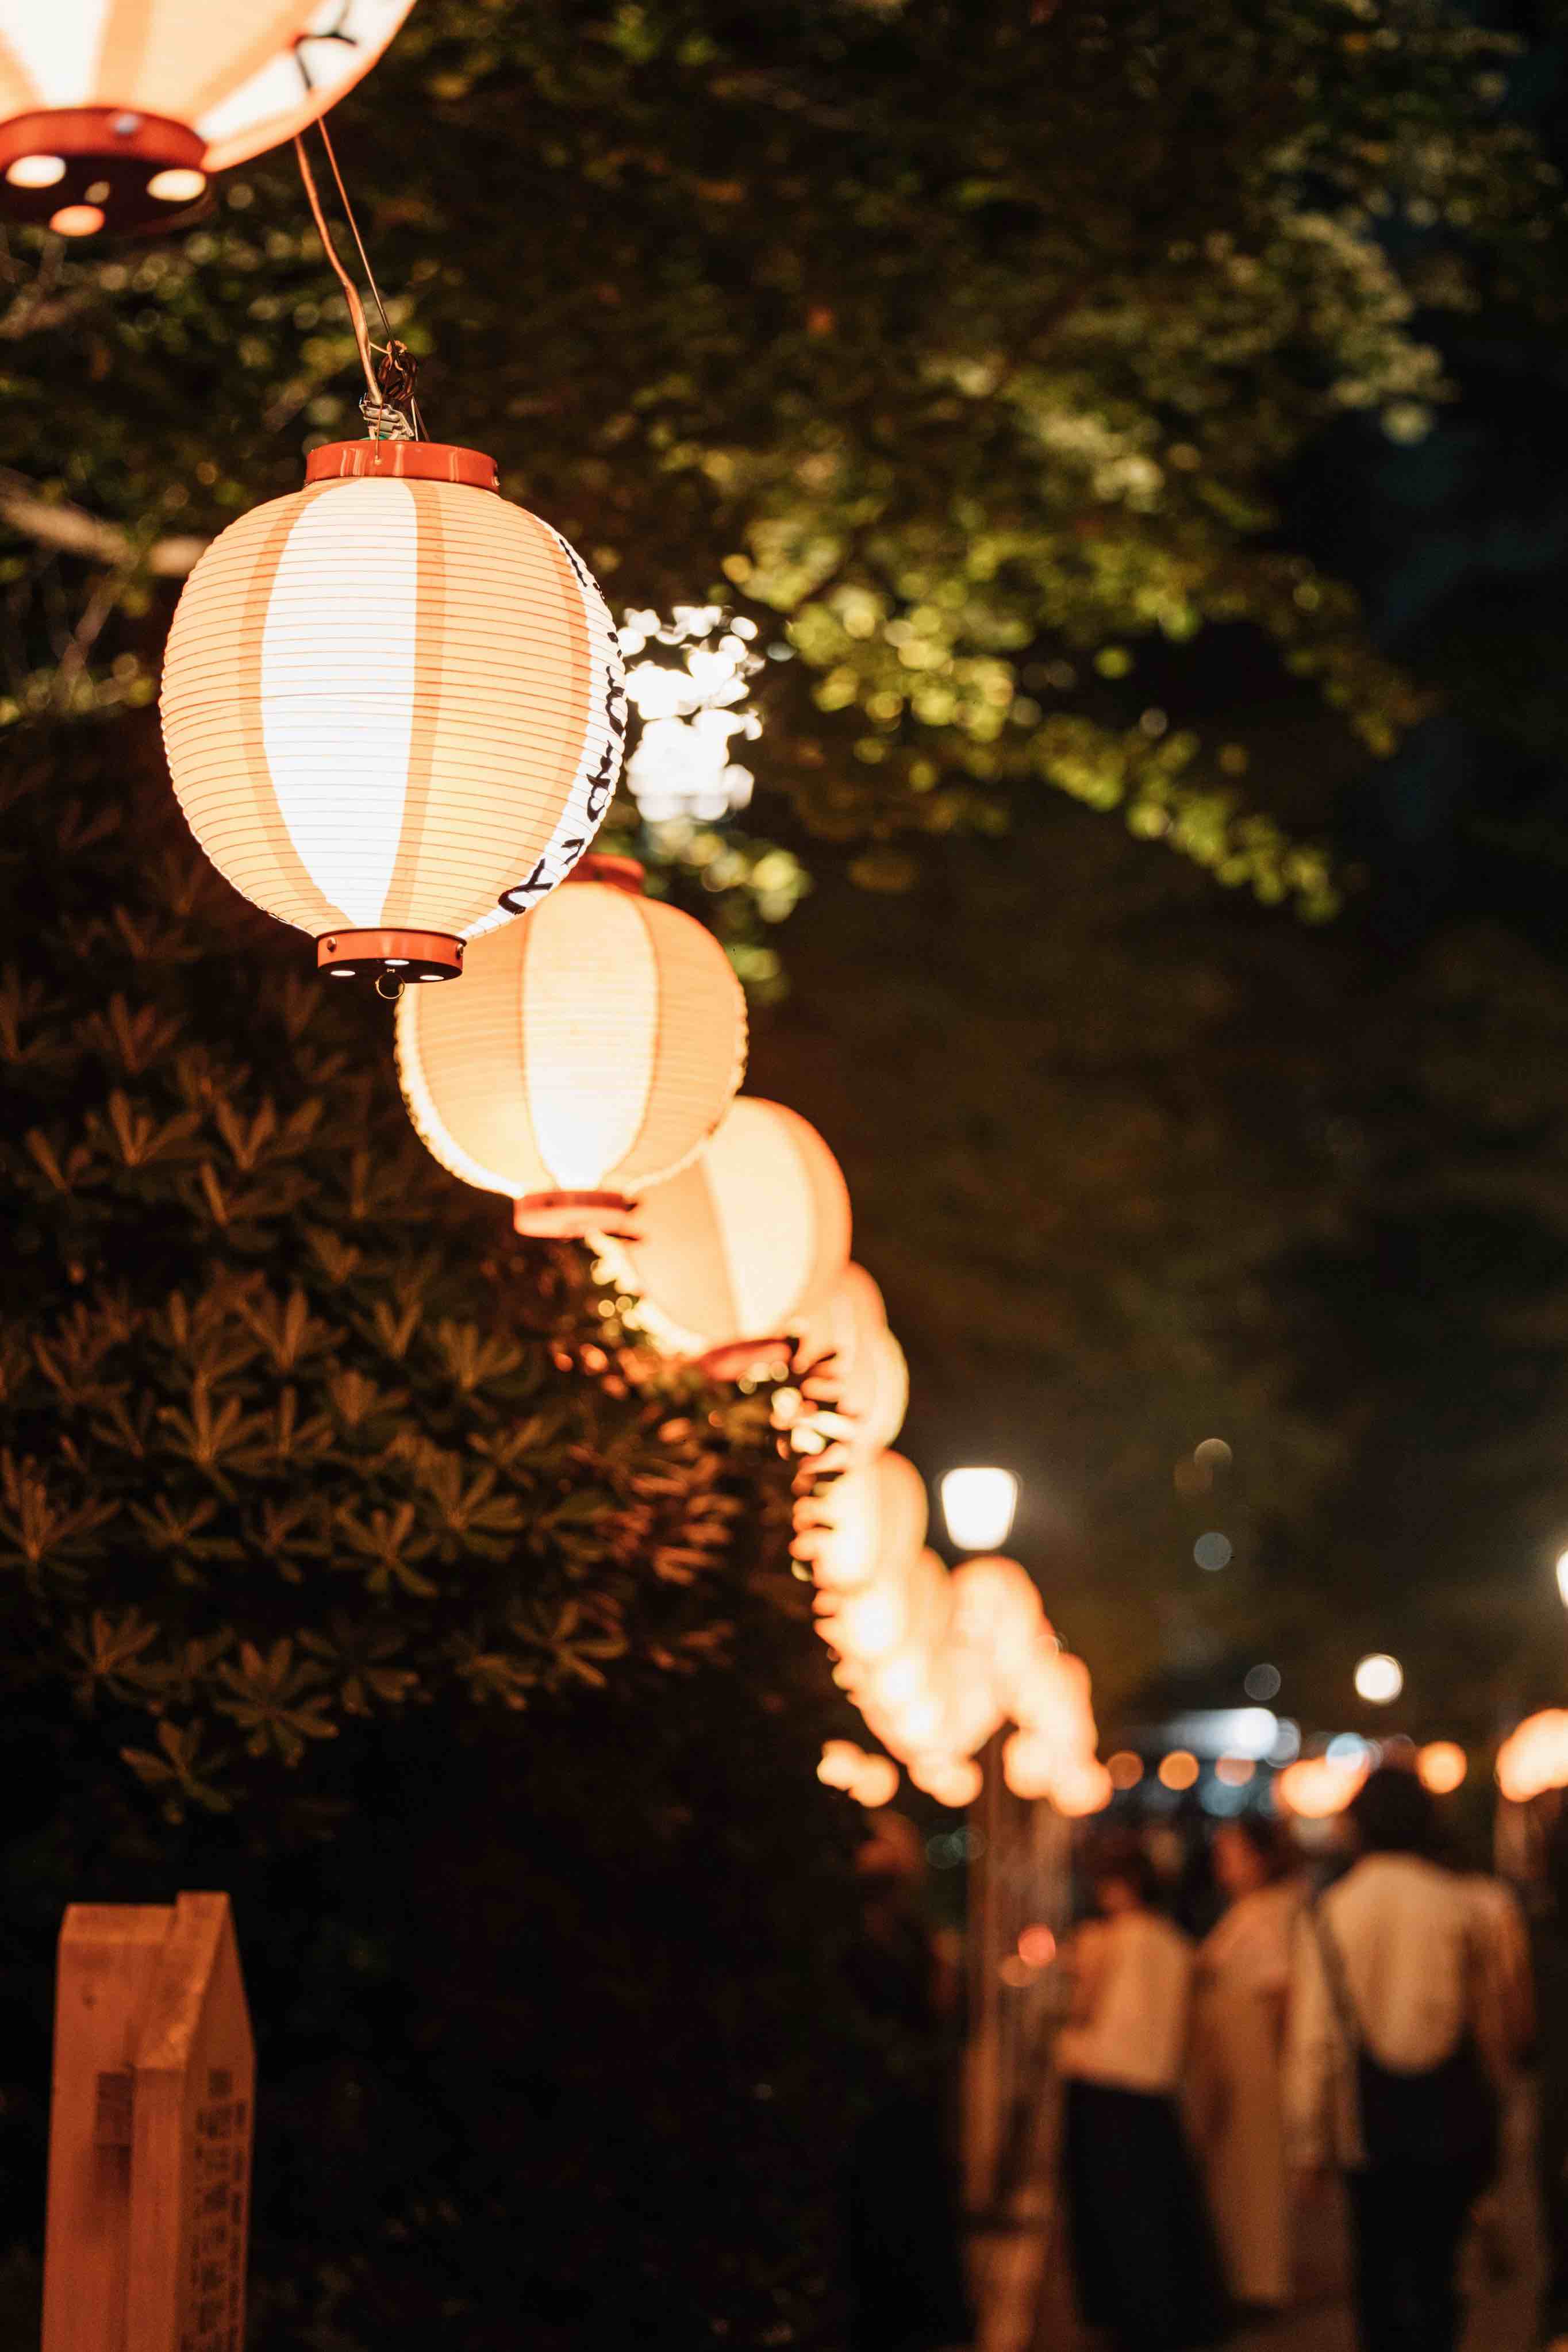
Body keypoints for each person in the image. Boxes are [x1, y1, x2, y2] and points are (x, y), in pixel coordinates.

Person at [1283, 1765, 1503, 2352]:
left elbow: (1316, 2039)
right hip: (1451, 2115)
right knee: (1437, 2273)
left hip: (1367, 2124)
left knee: (1376, 2274)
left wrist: (1307, 2142)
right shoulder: (1458, 1904)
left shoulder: (1332, 1910)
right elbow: (1488, 2026)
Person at [1058, 1839, 1232, 2351]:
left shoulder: (1102, 1938)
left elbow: (1082, 2010)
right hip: (1156, 2088)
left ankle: (1125, 2315)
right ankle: (1177, 2313)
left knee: (1111, 2211)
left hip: (1102, 2080)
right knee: (1161, 2208)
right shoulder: (1178, 1944)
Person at [843, 1809, 974, 2352]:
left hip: (911, 2099)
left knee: (911, 2211)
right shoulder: (852, 1934)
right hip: (874, 2099)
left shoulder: (916, 1934)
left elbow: (943, 2013)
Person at [1186, 1816, 1303, 2319]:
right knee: (1237, 2174)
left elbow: (1283, 1993)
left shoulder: (1273, 1912)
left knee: (1256, 2175)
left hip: (1255, 2064)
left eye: (1231, 1852)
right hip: (1235, 2061)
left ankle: (1260, 2285)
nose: (1222, 1863)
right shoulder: (1250, 1910)